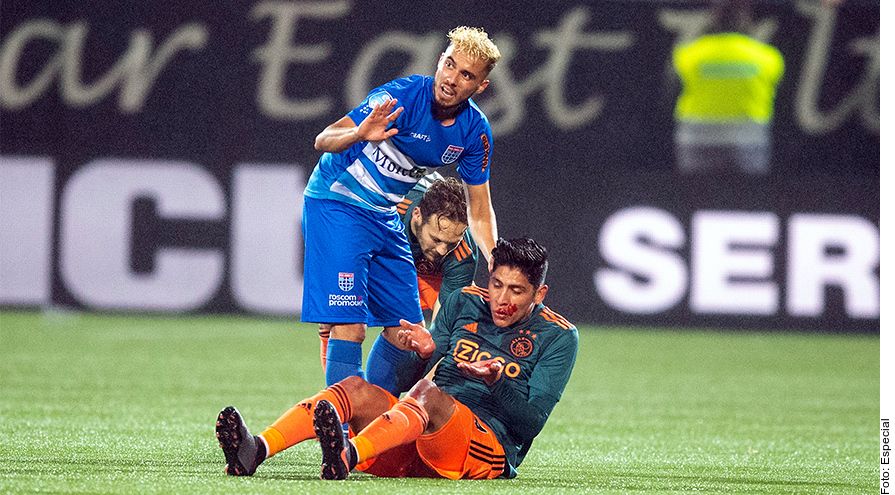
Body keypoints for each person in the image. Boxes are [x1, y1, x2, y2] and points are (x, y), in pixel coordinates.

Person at [216, 238, 578, 480]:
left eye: (516, 291)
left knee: (428, 395)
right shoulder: (466, 301)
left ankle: (347, 454)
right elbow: (414, 376)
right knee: (354, 388)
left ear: (539, 293)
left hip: (484, 449)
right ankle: (256, 449)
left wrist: (495, 382)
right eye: (497, 284)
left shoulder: (558, 336)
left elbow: (530, 424)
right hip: (420, 432)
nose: (501, 299)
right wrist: (424, 352)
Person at [302, 26, 501, 396]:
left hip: (382, 214)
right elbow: (323, 139)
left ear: (481, 86)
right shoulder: (401, 96)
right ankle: (341, 425)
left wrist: (495, 260)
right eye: (450, 64)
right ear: (440, 60)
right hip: (337, 202)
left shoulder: (475, 131)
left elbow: (479, 209)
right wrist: (359, 133)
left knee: (410, 334)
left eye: (466, 75)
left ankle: (371, 417)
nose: (452, 79)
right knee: (351, 327)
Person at [317, 174, 480, 395]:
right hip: (376, 250)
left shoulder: (463, 255)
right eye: (436, 239)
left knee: (412, 336)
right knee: (344, 322)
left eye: (450, 243)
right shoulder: (386, 207)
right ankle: (341, 405)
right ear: (417, 215)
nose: (443, 250)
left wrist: (416, 370)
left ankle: (381, 405)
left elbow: (441, 332)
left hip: (431, 275)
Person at [672, 0, 784, 174]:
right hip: (749, 140)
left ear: (713, 21)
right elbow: (777, 96)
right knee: (747, 191)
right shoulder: (768, 57)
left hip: (697, 139)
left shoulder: (688, 54)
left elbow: (672, 93)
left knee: (696, 190)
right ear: (747, 22)